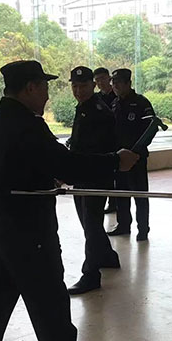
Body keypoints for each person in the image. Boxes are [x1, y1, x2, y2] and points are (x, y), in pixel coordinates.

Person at [0, 60, 139, 341]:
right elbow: (66, 164)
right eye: (44, 87)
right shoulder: (26, 125)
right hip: (30, 235)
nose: (47, 94)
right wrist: (116, 161)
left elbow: (21, 168)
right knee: (50, 304)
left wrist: (44, 175)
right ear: (30, 88)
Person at [66, 66, 121, 295]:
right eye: (75, 86)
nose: (79, 91)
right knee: (90, 223)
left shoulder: (99, 112)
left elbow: (96, 151)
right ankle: (108, 256)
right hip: (83, 177)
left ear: (93, 85)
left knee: (91, 224)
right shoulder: (84, 108)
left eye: (83, 86)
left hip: (95, 178)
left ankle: (91, 274)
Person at [108, 68, 156, 241]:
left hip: (136, 158)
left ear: (128, 83)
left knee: (140, 195)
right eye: (114, 83)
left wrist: (136, 151)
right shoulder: (114, 103)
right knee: (121, 194)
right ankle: (123, 225)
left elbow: (151, 128)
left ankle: (143, 228)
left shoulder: (141, 103)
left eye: (119, 83)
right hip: (119, 158)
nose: (115, 86)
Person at [95, 67, 119, 215]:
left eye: (102, 79)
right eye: (97, 80)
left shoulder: (116, 95)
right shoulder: (96, 98)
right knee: (107, 175)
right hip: (101, 142)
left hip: (115, 139)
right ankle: (111, 202)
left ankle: (116, 202)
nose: (100, 82)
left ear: (109, 78)